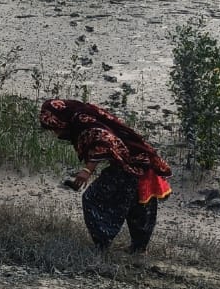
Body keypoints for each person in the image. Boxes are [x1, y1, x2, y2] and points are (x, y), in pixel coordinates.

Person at [40, 97, 171, 255]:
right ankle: (139, 249)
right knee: (140, 207)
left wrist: (87, 170)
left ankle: (102, 244)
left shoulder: (81, 119)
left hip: (131, 166)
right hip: (142, 161)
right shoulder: (85, 112)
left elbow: (103, 139)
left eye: (54, 126)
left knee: (93, 198)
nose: (56, 132)